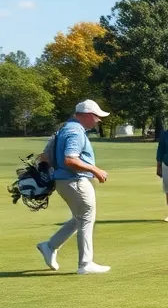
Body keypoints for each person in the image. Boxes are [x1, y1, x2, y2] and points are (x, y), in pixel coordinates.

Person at [35, 99, 112, 275]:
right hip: (75, 180)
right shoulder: (75, 131)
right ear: (86, 115)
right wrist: (95, 169)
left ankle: (49, 246)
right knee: (86, 218)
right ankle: (85, 263)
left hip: (64, 181)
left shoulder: (64, 128)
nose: (98, 120)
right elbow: (70, 159)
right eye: (96, 116)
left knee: (79, 218)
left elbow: (45, 156)